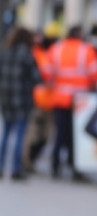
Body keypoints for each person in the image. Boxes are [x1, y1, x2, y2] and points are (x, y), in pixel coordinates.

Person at [45, 25, 97, 181]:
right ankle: (74, 168)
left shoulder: (56, 48)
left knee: (59, 133)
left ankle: (55, 166)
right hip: (79, 100)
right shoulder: (86, 50)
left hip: (59, 97)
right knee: (74, 136)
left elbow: (47, 73)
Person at [0, 27, 41, 181]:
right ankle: (16, 170)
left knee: (5, 134)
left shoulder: (5, 52)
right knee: (19, 135)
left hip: (5, 98)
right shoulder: (27, 54)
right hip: (22, 99)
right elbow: (36, 77)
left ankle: (1, 167)